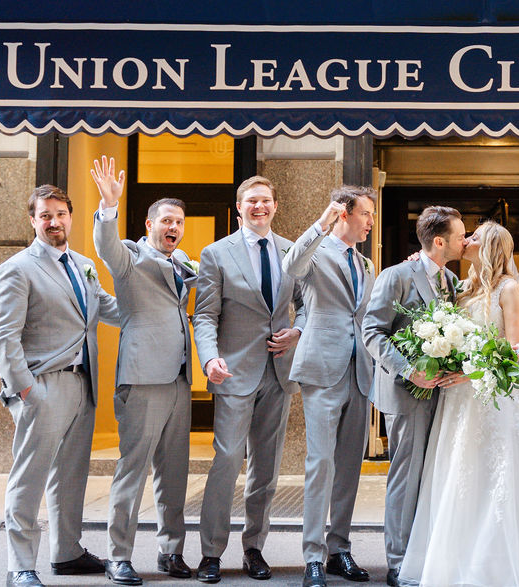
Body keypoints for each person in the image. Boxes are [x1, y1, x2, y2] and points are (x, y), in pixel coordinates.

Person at [400, 222, 519, 587]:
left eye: (474, 237)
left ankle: (496, 563)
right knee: (459, 474)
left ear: (490, 246)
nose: (466, 240)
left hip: (491, 395)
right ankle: (458, 560)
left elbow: (513, 351)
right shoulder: (462, 287)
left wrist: (470, 373)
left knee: (495, 476)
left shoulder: (509, 289)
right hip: (458, 400)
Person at [0, 184, 119, 587]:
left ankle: (67, 552)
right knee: (29, 477)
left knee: (71, 474)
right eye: (45, 215)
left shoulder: (83, 264)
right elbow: (2, 335)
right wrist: (26, 390)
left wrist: (165, 305)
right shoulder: (17, 268)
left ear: (70, 217)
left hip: (83, 384)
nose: (54, 221)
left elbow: (107, 308)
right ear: (33, 220)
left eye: (60, 214)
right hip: (43, 386)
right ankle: (20, 565)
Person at [192, 176, 306, 584]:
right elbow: (205, 315)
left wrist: (298, 331)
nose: (259, 207)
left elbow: (307, 305)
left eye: (266, 200)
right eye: (251, 201)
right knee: (226, 461)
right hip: (234, 372)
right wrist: (209, 358)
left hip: (279, 373)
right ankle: (211, 553)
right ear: (239, 207)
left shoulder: (292, 251)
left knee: (266, 469)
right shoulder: (216, 253)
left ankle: (254, 548)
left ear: (275, 206)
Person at [91, 156, 197, 585]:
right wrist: (108, 207)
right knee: (133, 472)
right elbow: (106, 247)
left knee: (175, 474)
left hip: (180, 380)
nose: (174, 227)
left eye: (180, 222)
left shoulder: (182, 260)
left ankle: (171, 551)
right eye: (167, 221)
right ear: (150, 224)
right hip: (142, 380)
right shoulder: (130, 257)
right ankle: (118, 556)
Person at [361, 205, 465, 587]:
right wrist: (409, 370)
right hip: (406, 394)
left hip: (444, 395)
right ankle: (399, 562)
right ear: (439, 241)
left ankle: (425, 556)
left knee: (432, 475)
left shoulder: (452, 280)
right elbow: (372, 331)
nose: (464, 241)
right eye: (460, 236)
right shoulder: (396, 276)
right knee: (405, 478)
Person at [281, 186, 377, 587]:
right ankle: (313, 557)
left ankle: (339, 549)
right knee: (321, 464)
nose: (370, 222)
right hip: (322, 368)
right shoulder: (315, 252)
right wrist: (320, 224)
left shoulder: (367, 264)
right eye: (366, 214)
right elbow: (290, 266)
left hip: (359, 371)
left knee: (349, 466)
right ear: (344, 214)